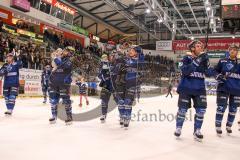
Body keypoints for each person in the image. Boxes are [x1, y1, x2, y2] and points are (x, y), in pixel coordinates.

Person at [174, 40, 214, 141]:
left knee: (201, 111)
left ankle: (197, 130)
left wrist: (207, 62)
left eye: (201, 46)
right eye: (198, 46)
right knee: (182, 110)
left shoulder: (204, 59)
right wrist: (198, 60)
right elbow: (185, 71)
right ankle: (178, 128)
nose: (200, 47)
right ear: (192, 48)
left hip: (199, 88)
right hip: (186, 88)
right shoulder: (186, 58)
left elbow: (209, 74)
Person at [114, 46, 144, 129]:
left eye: (133, 50)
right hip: (122, 83)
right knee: (121, 102)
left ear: (136, 52)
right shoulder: (126, 59)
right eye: (130, 50)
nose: (130, 51)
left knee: (127, 102)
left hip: (132, 84)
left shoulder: (139, 60)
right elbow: (117, 61)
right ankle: (122, 116)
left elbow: (141, 57)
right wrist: (119, 52)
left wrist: (139, 51)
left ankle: (127, 118)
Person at [214, 44, 240, 136]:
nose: (232, 51)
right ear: (228, 51)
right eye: (231, 49)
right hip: (223, 88)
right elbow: (215, 71)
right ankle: (218, 126)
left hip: (237, 89)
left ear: (237, 52)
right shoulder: (222, 61)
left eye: (234, 50)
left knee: (233, 109)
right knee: (221, 108)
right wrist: (218, 76)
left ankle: (229, 126)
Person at [48, 46, 75, 125]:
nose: (63, 52)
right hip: (55, 84)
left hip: (64, 84)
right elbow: (53, 68)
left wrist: (56, 58)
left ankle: (69, 117)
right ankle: (54, 116)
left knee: (66, 101)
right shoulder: (59, 59)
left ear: (70, 53)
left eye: (65, 51)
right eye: (63, 50)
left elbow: (62, 65)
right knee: (53, 101)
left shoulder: (68, 62)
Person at [98, 54, 115, 123]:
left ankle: (122, 115)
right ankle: (103, 115)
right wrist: (105, 79)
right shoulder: (101, 64)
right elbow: (99, 74)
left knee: (119, 100)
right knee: (104, 100)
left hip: (115, 84)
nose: (105, 58)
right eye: (103, 57)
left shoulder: (114, 63)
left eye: (106, 57)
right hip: (106, 85)